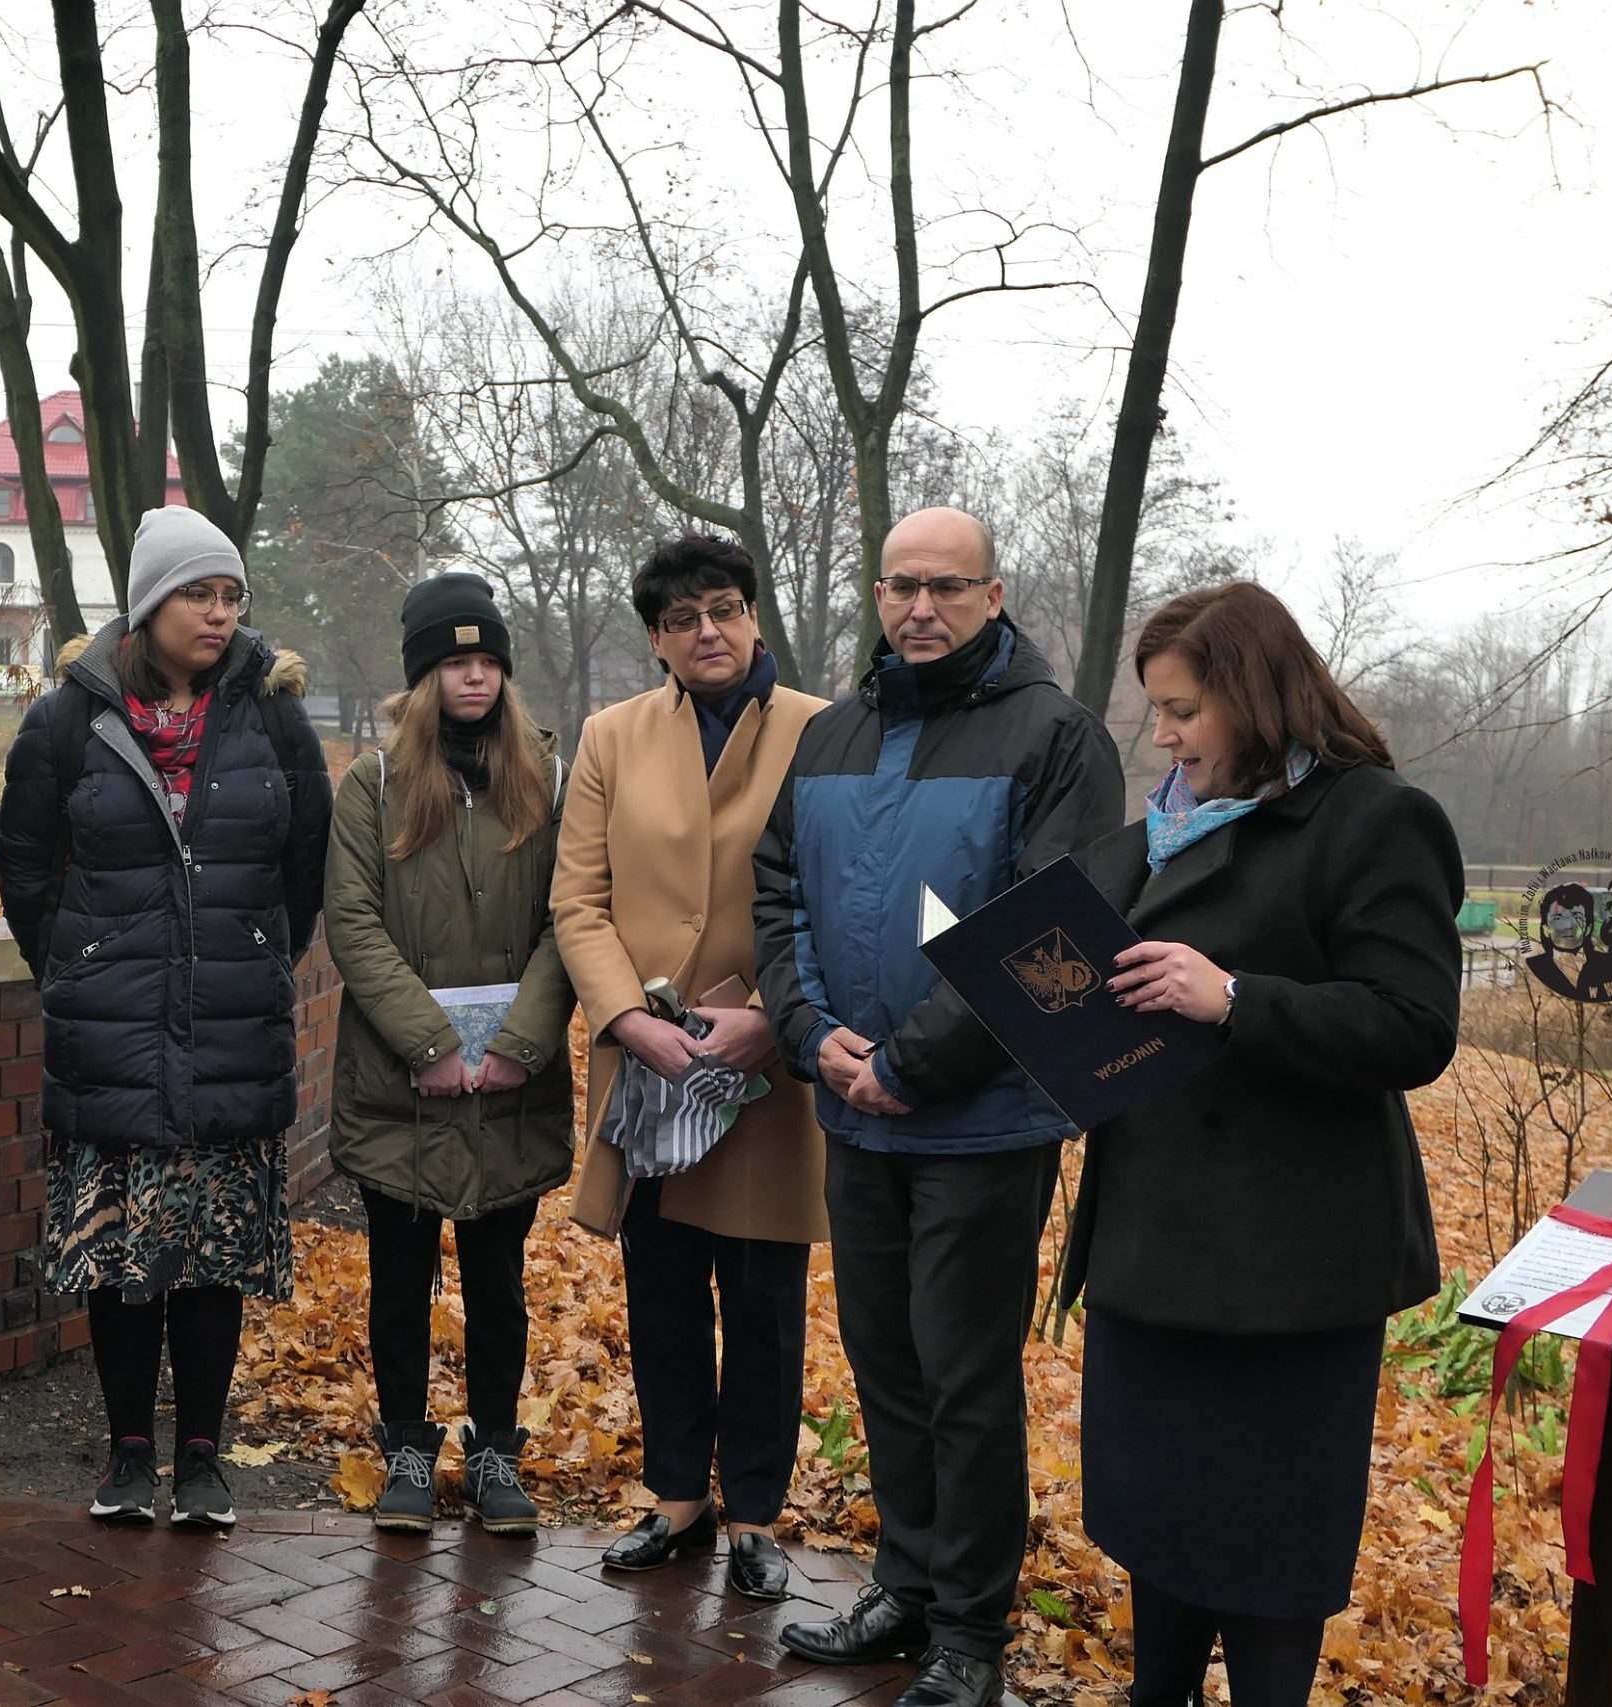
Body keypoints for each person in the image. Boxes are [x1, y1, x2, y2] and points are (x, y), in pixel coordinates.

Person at [1061, 581, 1462, 1707]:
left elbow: (1414, 1026)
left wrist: (1233, 995)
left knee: (1269, 1550)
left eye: (1184, 708)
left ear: (1252, 691)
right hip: (1154, 1237)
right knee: (1158, 1518)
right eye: (1157, 710)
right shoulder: (1153, 829)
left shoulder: (1373, 818)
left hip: (1288, 1259)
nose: (1166, 734)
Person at [756, 507, 1121, 1707]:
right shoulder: (833, 734)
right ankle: (903, 1585)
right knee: (883, 1365)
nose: (922, 608)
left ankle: (969, 1625)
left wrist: (910, 1064)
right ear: (875, 592)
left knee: (965, 1380)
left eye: (947, 588)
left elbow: (1049, 936)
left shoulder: (1054, 737)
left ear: (994, 592)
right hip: (852, 1113)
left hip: (981, 1122)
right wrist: (813, 1038)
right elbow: (778, 899)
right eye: (901, 585)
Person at [0, 505, 331, 1531]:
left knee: (213, 1257)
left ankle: (202, 1460)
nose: (220, 614)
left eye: (231, 596)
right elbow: (25, 870)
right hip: (114, 1028)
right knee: (118, 1256)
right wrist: (79, 965)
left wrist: (258, 954)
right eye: (199, 593)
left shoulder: (270, 718)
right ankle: (127, 1451)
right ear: (147, 605)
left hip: (229, 1021)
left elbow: (301, 867)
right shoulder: (66, 722)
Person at [553, 533, 830, 1602]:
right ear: (657, 641)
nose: (705, 632)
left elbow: (840, 896)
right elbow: (577, 900)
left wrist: (772, 1016)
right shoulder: (612, 737)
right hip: (651, 1060)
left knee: (762, 1297)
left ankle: (755, 1511)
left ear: (752, 615)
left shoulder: (823, 731)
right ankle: (676, 1497)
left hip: (768, 1063)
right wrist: (627, 1018)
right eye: (680, 620)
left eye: (721, 609)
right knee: (662, 1287)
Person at [323, 573, 574, 1537]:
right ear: (424, 676)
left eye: (488, 661)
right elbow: (350, 918)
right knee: (399, 1277)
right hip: (401, 1082)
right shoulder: (375, 783)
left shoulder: (546, 778)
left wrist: (520, 1042)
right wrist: (426, 1039)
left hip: (511, 1083)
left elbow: (570, 914)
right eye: (454, 661)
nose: (474, 677)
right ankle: (406, 1447)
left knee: (498, 1280)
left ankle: (499, 1447)